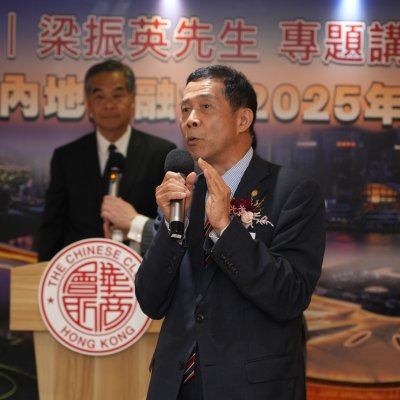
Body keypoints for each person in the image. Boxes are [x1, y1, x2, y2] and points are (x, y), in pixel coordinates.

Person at [135, 65, 326, 400]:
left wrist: (225, 229)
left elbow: (290, 297)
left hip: (252, 387)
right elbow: (151, 300)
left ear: (242, 119)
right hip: (176, 385)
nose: (191, 120)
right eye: (185, 110)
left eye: (205, 107)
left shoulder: (294, 191)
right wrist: (170, 225)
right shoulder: (181, 193)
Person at [38, 59, 176, 261]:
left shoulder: (161, 153)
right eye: (99, 96)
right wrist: (44, 270)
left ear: (132, 99)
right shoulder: (66, 157)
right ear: (88, 103)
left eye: (117, 95)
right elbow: (53, 226)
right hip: (81, 269)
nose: (109, 105)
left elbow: (170, 222)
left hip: (142, 269)